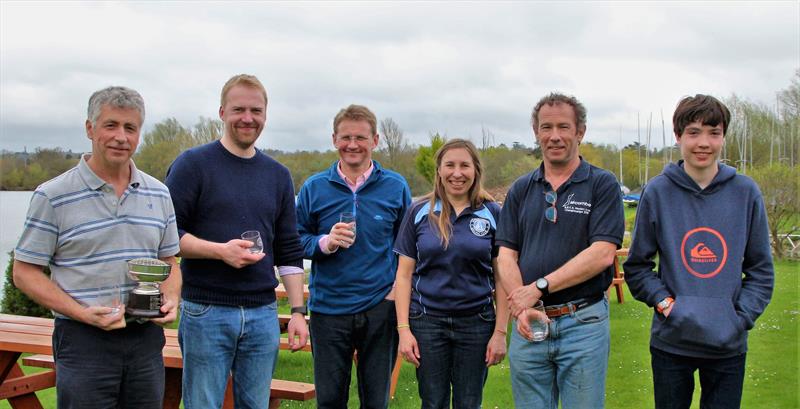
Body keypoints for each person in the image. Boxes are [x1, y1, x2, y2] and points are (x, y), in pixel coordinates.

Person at [12, 86, 181, 408]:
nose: (121, 136)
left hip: (144, 339)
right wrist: (81, 313)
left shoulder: (159, 193)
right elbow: (25, 271)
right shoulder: (54, 196)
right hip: (83, 340)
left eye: (130, 128)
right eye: (111, 125)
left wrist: (172, 296)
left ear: (139, 134)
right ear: (90, 129)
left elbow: (169, 261)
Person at [165, 74, 308, 409]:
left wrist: (299, 311)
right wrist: (219, 252)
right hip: (206, 311)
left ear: (265, 116)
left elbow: (288, 248)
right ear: (221, 112)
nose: (248, 118)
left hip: (263, 314)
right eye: (238, 109)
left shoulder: (278, 175)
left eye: (255, 110)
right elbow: (166, 236)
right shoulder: (193, 165)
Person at [623, 94, 774, 409]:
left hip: (727, 345)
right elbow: (637, 267)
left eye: (713, 132)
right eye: (693, 132)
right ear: (678, 137)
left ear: (723, 137)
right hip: (671, 343)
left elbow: (760, 270)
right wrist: (668, 306)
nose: (703, 142)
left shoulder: (746, 192)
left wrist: (740, 317)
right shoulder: (657, 192)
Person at [495, 92, 625, 408]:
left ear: (579, 132)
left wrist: (539, 287)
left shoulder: (601, 184)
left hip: (583, 323)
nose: (555, 136)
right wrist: (522, 307)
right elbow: (505, 255)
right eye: (546, 127)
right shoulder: (522, 189)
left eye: (563, 127)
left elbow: (603, 253)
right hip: (529, 322)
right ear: (536, 132)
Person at [295, 104, 411, 409]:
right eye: (345, 137)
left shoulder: (395, 186)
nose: (352, 144)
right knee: (330, 400)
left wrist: (394, 292)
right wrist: (325, 242)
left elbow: (409, 246)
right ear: (334, 139)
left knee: (376, 401)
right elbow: (295, 240)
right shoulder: (314, 187)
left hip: (379, 307)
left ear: (375, 140)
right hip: (329, 308)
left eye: (360, 137)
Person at [393, 138, 509, 409]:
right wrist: (403, 331)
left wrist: (500, 332)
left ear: (476, 171)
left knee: (469, 403)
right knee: (433, 402)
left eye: (464, 166)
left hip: (477, 323)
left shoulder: (492, 213)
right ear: (439, 171)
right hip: (427, 323)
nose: (457, 173)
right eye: (450, 165)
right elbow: (403, 276)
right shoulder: (418, 212)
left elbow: (503, 277)